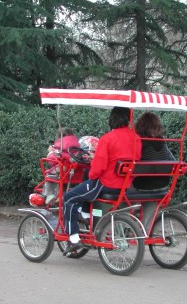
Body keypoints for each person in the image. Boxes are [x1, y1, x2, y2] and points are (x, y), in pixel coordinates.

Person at [61, 107, 142, 256]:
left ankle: (73, 238)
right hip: (125, 184)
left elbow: (98, 169)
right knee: (84, 188)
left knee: (69, 197)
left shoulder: (107, 138)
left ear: (112, 119)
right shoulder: (136, 138)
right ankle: (85, 215)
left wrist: (91, 174)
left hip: (106, 183)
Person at [29, 127, 80, 206]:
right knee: (62, 181)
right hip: (75, 175)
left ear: (60, 136)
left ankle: (49, 195)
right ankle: (61, 196)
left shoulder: (60, 145)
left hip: (63, 174)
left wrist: (50, 151)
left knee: (49, 177)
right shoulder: (77, 145)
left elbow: (52, 160)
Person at [133, 112, 174, 190]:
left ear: (140, 125)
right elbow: (172, 160)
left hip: (144, 183)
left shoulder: (140, 141)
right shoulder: (162, 140)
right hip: (164, 182)